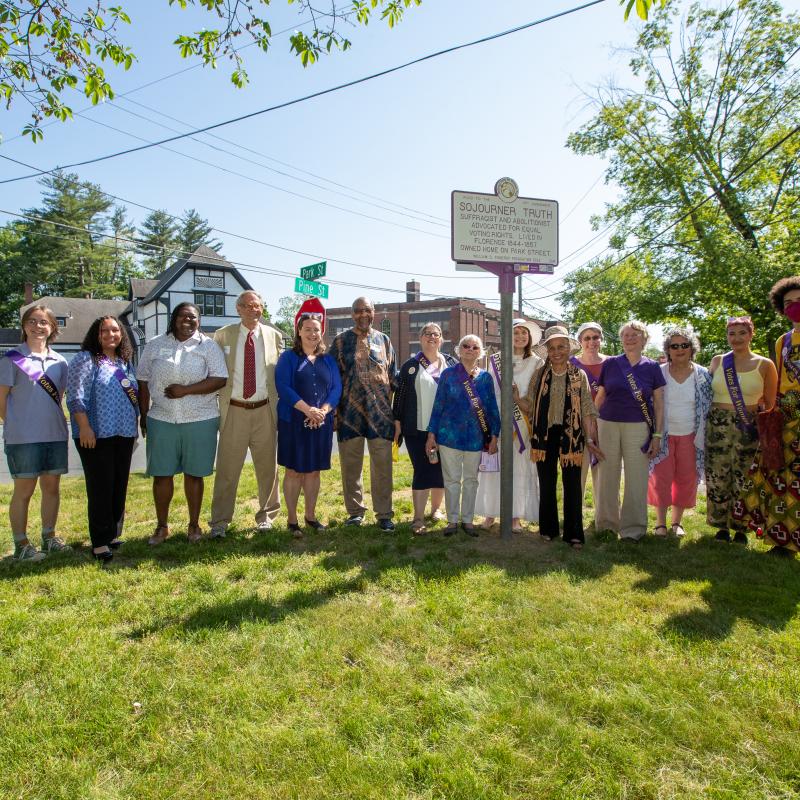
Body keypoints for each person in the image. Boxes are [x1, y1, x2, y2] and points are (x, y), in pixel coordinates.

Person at [137, 302, 227, 545]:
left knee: (194, 474)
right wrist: (144, 416)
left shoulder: (208, 346)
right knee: (162, 475)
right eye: (182, 316)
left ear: (199, 321)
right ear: (173, 318)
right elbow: (143, 380)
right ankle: (161, 526)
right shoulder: (156, 344)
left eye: (193, 317)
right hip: (162, 417)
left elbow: (220, 378)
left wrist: (186, 391)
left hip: (200, 418)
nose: (187, 321)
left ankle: (194, 525)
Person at [209, 290, 283, 539]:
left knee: (268, 469)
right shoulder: (223, 335)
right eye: (250, 306)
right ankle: (219, 522)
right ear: (238, 308)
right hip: (235, 410)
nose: (255, 310)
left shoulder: (274, 336)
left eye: (259, 306)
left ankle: (267, 517)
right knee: (227, 470)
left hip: (264, 410)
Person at [0, 304, 70, 562]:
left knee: (52, 488)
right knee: (24, 491)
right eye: (32, 321)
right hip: (23, 438)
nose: (37, 326)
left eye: (43, 322)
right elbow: (2, 402)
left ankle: (49, 537)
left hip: (54, 434)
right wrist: (19, 424)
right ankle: (21, 544)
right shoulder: (11, 360)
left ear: (52, 328)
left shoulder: (60, 362)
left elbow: (58, 397)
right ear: (24, 326)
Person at [67, 316, 139, 563]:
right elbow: (76, 397)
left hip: (123, 432)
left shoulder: (124, 362)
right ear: (95, 335)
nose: (111, 334)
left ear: (122, 334)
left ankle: (112, 534)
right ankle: (99, 542)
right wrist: (84, 427)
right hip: (95, 434)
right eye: (104, 330)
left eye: (115, 330)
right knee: (100, 487)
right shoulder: (85, 359)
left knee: (118, 485)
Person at [737, 278, 800, 556]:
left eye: (798, 302)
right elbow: (778, 381)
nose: (793, 308)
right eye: (788, 304)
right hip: (785, 418)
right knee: (778, 477)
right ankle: (782, 540)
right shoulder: (783, 340)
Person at [526, 325, 602, 549]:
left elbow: (588, 409)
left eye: (561, 347)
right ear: (547, 350)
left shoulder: (579, 375)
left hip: (572, 435)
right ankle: (548, 528)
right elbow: (530, 405)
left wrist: (590, 439)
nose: (557, 351)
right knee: (547, 483)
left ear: (569, 349)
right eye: (553, 348)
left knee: (573, 486)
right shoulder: (539, 375)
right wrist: (514, 397)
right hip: (544, 436)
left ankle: (574, 533)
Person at [705, 315, 776, 544]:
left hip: (748, 424)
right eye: (731, 333)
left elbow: (771, 402)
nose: (736, 338)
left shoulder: (765, 364)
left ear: (751, 334)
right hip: (717, 424)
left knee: (745, 476)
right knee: (717, 475)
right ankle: (720, 526)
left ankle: (741, 528)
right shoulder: (718, 361)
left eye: (741, 333)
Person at [594, 320, 665, 541]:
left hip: (638, 426)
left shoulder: (652, 367)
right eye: (626, 334)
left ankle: (633, 528)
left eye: (635, 334)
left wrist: (657, 435)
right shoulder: (611, 363)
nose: (630, 338)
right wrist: (591, 427)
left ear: (644, 339)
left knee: (637, 478)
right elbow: (601, 395)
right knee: (607, 475)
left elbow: (659, 403)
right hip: (607, 424)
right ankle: (606, 524)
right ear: (621, 339)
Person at [275, 299, 342, 535]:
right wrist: (307, 410)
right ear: (299, 332)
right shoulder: (287, 358)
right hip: (293, 422)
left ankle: (311, 516)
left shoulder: (328, 360)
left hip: (320, 423)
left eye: (316, 329)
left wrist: (322, 411)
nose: (313, 333)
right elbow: (283, 387)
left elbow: (336, 389)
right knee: (294, 471)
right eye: (308, 329)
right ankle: (292, 520)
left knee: (313, 470)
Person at [331, 296, 398, 531]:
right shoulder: (340, 342)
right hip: (349, 413)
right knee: (351, 466)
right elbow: (331, 380)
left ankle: (384, 514)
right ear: (352, 314)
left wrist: (396, 415)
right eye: (358, 311)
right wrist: (333, 414)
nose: (363, 315)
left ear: (373, 312)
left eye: (367, 310)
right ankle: (355, 512)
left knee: (382, 466)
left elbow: (393, 377)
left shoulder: (384, 340)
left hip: (380, 415)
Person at [426, 335, 500, 536]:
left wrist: (494, 436)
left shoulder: (485, 378)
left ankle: (467, 520)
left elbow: (492, 409)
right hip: (449, 436)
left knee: (471, 480)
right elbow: (438, 404)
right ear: (459, 350)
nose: (470, 349)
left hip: (476, 438)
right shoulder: (449, 375)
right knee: (451, 480)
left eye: (475, 347)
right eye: (466, 346)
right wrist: (431, 434)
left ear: (480, 351)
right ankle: (452, 521)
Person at [475, 319, 542, 532]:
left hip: (523, 425)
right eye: (516, 332)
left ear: (529, 337)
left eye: (524, 333)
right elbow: (490, 392)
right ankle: (490, 513)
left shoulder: (537, 362)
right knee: (494, 469)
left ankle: (515, 516)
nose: (520, 336)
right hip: (499, 422)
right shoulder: (495, 360)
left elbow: (536, 395)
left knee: (519, 469)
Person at [647, 327, 712, 538]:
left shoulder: (702, 375)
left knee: (686, 479)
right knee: (661, 479)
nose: (680, 349)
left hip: (691, 436)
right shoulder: (659, 372)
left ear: (692, 348)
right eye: (674, 346)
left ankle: (677, 522)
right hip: (663, 435)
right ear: (668, 350)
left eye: (684, 345)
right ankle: (660, 523)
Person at [392, 322, 456, 533]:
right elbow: (400, 397)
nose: (432, 337)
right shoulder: (411, 366)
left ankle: (436, 510)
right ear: (420, 338)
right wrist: (398, 423)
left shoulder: (451, 363)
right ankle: (418, 517)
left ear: (441, 339)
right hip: (417, 428)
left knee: (441, 471)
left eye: (436, 334)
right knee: (422, 470)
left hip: (446, 429)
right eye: (427, 334)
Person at [571, 321, 608, 499]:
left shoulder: (611, 363)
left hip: (605, 422)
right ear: (580, 341)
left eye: (595, 337)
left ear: (601, 339)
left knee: (604, 472)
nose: (591, 342)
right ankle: (574, 515)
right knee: (577, 472)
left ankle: (605, 516)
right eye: (587, 338)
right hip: (577, 423)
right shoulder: (571, 363)